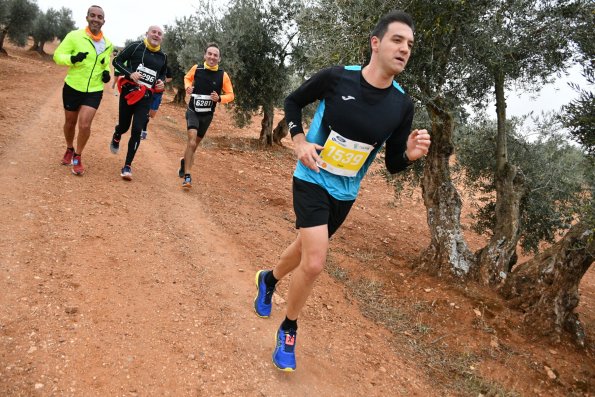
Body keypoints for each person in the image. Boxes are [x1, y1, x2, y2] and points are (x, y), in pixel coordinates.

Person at [253, 10, 431, 372]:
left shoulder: (402, 105)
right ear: (376, 43)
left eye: (410, 44)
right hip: (311, 177)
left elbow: (394, 162)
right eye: (397, 40)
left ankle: (267, 279)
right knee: (316, 261)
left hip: (346, 193)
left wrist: (410, 155)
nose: (404, 49)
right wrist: (300, 141)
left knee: (305, 247)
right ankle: (288, 330)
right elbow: (292, 102)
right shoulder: (337, 78)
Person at [53, 5, 113, 175]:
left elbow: (104, 63)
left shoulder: (108, 44)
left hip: (94, 89)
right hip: (73, 87)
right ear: (87, 17)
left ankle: (78, 156)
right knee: (70, 123)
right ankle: (70, 148)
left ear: (103, 21)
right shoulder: (74, 36)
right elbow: (57, 56)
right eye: (92, 15)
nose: (96, 19)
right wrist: (72, 59)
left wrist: (106, 74)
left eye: (99, 17)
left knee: (85, 124)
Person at [109, 25, 167, 181]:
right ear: (147, 33)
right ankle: (117, 134)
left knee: (137, 130)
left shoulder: (163, 56)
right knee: (124, 126)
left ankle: (127, 166)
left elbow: (162, 73)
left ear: (162, 37)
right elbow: (117, 61)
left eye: (159, 34)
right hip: (129, 93)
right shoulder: (135, 47)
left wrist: (161, 83)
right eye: (153, 32)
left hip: (146, 97)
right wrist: (130, 73)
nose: (156, 35)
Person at [178, 43, 234, 188]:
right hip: (193, 111)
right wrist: (187, 87)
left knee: (194, 146)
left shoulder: (223, 75)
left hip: (207, 115)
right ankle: (188, 177)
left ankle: (185, 161)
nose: (212, 57)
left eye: (215, 55)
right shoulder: (197, 68)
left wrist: (220, 98)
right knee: (191, 142)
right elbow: (187, 78)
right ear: (205, 55)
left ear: (219, 58)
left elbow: (231, 95)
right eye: (209, 54)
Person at [141, 66, 173, 140]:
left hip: (158, 93)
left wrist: (163, 82)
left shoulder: (166, 67)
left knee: (151, 115)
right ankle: (143, 131)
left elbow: (170, 78)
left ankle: (142, 127)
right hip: (147, 90)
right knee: (145, 113)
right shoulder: (151, 64)